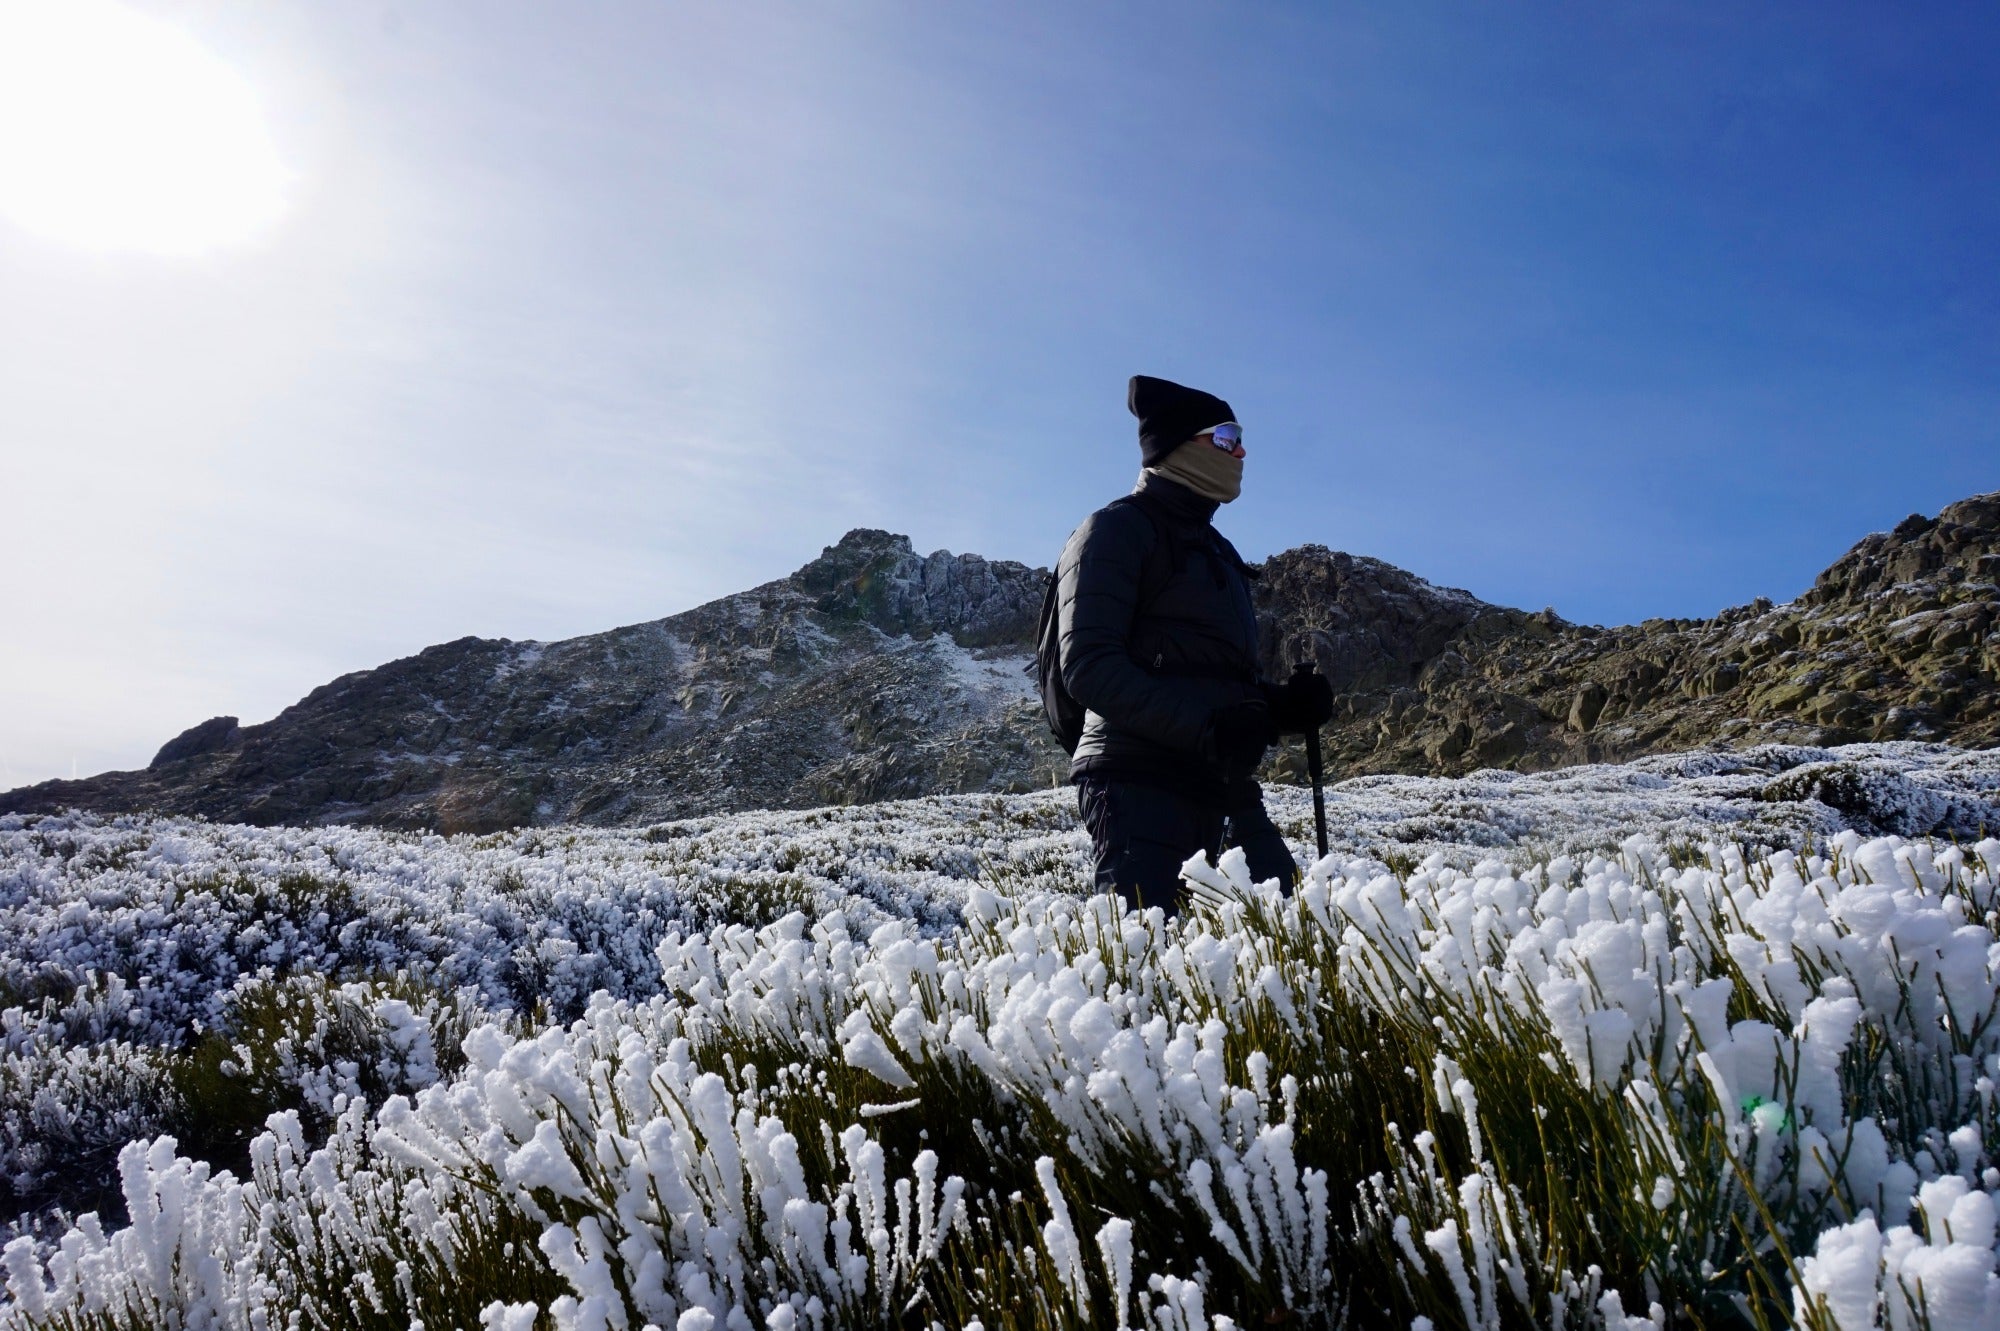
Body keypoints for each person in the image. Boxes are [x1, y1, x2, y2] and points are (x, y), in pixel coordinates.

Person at [1056, 375, 1334, 914]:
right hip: (1137, 782)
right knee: (1146, 960)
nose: (1242, 451)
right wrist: (1209, 729)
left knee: (1286, 932)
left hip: (1220, 781)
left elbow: (1217, 682)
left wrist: (1280, 708)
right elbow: (1088, 665)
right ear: (1178, 443)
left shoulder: (1219, 553)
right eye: (1227, 437)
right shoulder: (1114, 531)